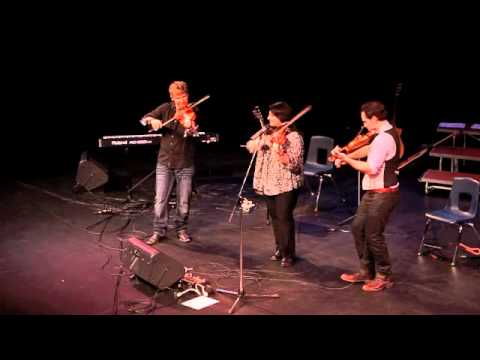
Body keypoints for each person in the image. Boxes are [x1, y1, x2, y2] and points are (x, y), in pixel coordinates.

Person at [331, 100, 400, 292]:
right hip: (373, 193)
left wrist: (345, 158)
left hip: (384, 194)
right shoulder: (381, 134)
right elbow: (369, 150)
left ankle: (384, 275)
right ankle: (366, 272)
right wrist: (348, 157)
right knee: (358, 228)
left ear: (375, 118)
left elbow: (370, 168)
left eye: (365, 121)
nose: (363, 125)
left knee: (373, 235)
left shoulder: (384, 138)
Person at [246, 102, 304, 267]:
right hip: (269, 183)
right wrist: (264, 142)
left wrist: (279, 149)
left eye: (272, 115)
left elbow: (295, 165)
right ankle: (279, 249)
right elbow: (250, 145)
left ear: (281, 117)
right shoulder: (267, 132)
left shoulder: (293, 137)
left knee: (284, 217)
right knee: (275, 218)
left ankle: (288, 253)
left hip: (286, 184)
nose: (269, 117)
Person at [140, 81, 198, 244]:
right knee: (160, 200)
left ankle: (181, 229)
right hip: (164, 162)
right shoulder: (165, 108)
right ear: (172, 97)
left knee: (184, 202)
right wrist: (152, 121)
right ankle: (159, 231)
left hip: (185, 163)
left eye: (184, 96)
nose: (182, 101)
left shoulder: (193, 111)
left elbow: (192, 131)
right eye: (178, 97)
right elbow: (143, 119)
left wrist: (189, 127)